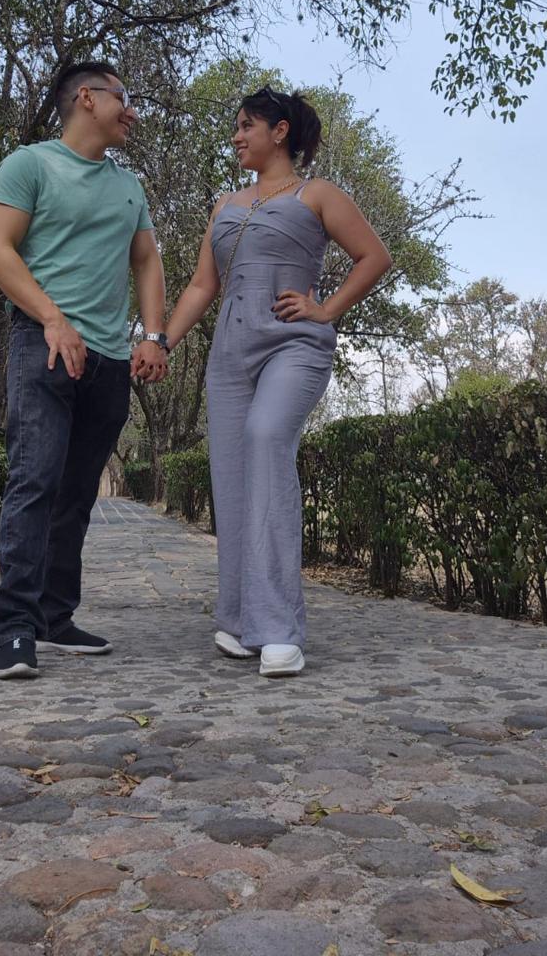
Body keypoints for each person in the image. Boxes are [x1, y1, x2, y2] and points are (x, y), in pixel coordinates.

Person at [165, 85, 392, 676]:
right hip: (230, 355)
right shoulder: (225, 204)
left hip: (294, 344)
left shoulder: (316, 194)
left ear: (280, 131)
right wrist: (160, 341)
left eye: (247, 125)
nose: (237, 136)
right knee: (232, 475)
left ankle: (279, 629)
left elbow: (374, 256)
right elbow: (202, 285)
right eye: (236, 127)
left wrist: (326, 309)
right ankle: (242, 621)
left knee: (267, 438)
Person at [0, 60, 168, 680]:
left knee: (77, 494)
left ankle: (54, 617)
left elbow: (146, 261)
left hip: (109, 360)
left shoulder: (128, 185)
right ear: (86, 98)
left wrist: (154, 336)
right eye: (123, 97)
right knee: (34, 481)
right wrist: (53, 319)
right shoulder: (29, 165)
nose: (131, 111)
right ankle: (14, 627)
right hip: (43, 345)